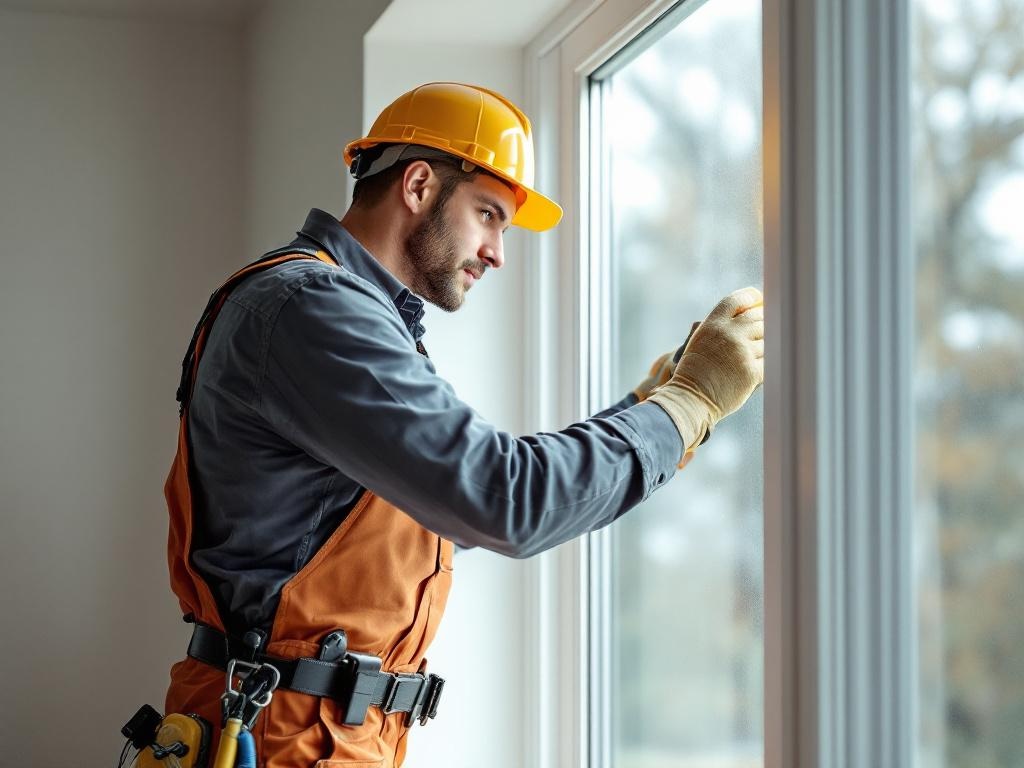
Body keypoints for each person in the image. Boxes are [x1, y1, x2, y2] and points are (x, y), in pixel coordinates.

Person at [161, 81, 764, 767]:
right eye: (488, 215)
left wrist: (650, 404)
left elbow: (461, 495)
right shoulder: (314, 308)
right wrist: (686, 406)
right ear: (417, 185)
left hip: (312, 734)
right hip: (282, 737)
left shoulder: (348, 316)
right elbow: (503, 498)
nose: (498, 252)